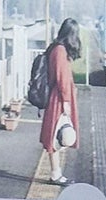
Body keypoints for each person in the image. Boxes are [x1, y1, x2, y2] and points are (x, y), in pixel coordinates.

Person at [39, 19, 82, 187]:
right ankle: (56, 174)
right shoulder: (60, 51)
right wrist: (66, 102)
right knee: (57, 135)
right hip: (59, 98)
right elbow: (62, 78)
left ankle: (56, 173)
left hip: (58, 96)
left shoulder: (57, 48)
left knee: (56, 134)